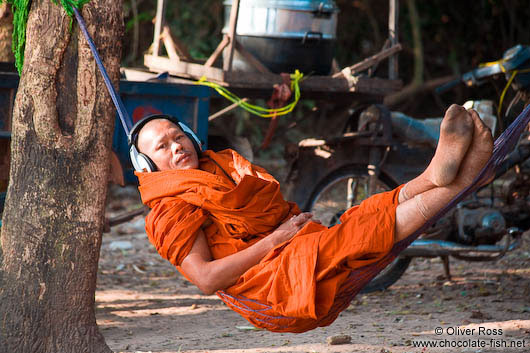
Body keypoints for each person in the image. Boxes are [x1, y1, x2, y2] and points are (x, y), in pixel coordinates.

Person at [133, 104, 493, 332]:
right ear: (148, 166)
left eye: (178, 136)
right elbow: (207, 280)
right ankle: (463, 182)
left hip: (292, 251)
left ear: (193, 137)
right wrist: (277, 239)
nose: (176, 146)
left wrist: (284, 234)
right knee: (353, 237)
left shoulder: (223, 167)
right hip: (272, 290)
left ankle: (435, 176)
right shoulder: (170, 209)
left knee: (361, 216)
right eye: (162, 147)